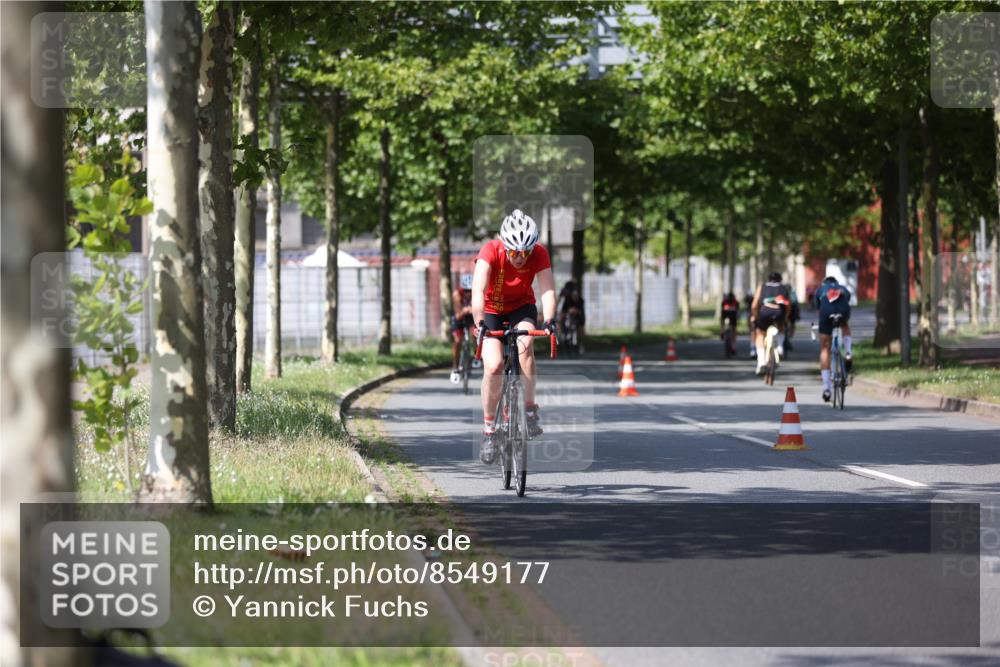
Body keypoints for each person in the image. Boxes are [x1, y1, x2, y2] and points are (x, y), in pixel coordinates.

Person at [472, 209, 557, 464]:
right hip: (490, 310)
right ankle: (489, 430)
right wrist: (479, 323)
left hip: (522, 307)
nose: (520, 258)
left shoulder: (539, 253)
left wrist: (550, 320)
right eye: (514, 252)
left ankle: (529, 409)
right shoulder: (490, 250)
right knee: (495, 364)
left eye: (525, 252)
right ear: (505, 246)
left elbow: (548, 291)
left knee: (526, 346)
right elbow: (477, 290)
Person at [814, 275, 853, 402]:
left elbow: (818, 310)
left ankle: (826, 387)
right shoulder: (842, 287)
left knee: (825, 348)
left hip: (826, 311)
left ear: (824, 283)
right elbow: (848, 298)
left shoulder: (820, 290)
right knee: (845, 325)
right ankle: (848, 352)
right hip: (843, 310)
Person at [750, 272, 791, 374]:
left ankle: (761, 362)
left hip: (765, 311)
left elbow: (754, 305)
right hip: (779, 311)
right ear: (780, 279)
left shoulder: (762, 286)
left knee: (760, 333)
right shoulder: (783, 287)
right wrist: (786, 317)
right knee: (781, 326)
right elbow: (788, 304)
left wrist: (755, 316)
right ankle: (780, 347)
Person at [449, 274, 475, 384]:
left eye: (470, 290)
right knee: (458, 341)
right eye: (466, 290)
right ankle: (455, 367)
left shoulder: (477, 293)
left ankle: (475, 356)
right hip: (459, 318)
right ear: (462, 289)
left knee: (476, 334)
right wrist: (468, 309)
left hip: (471, 318)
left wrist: (471, 309)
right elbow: (459, 314)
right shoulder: (457, 294)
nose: (468, 293)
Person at [559, 286, 586, 352]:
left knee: (580, 329)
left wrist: (576, 311)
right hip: (569, 316)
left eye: (576, 296)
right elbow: (563, 311)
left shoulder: (580, 300)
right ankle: (562, 333)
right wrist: (568, 312)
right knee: (562, 319)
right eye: (574, 295)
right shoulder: (567, 301)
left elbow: (581, 311)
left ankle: (580, 343)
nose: (575, 297)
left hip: (578, 317)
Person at [783, 283, 801, 352]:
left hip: (788, 310)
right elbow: (796, 304)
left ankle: (787, 339)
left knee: (788, 325)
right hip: (792, 311)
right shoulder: (792, 293)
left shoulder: (784, 292)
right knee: (791, 325)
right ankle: (788, 339)